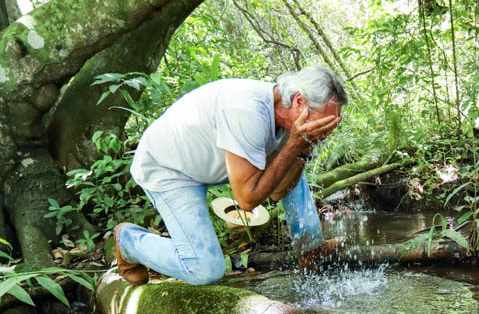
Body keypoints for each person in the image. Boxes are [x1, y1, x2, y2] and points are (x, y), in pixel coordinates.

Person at [114, 66, 347, 285]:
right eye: (326, 122)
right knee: (206, 269)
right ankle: (129, 241)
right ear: (299, 102)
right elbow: (246, 200)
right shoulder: (247, 112)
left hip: (215, 163)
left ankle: (310, 251)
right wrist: (294, 146)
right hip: (170, 169)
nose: (329, 131)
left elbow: (279, 191)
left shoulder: (292, 121)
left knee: (291, 156)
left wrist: (302, 149)